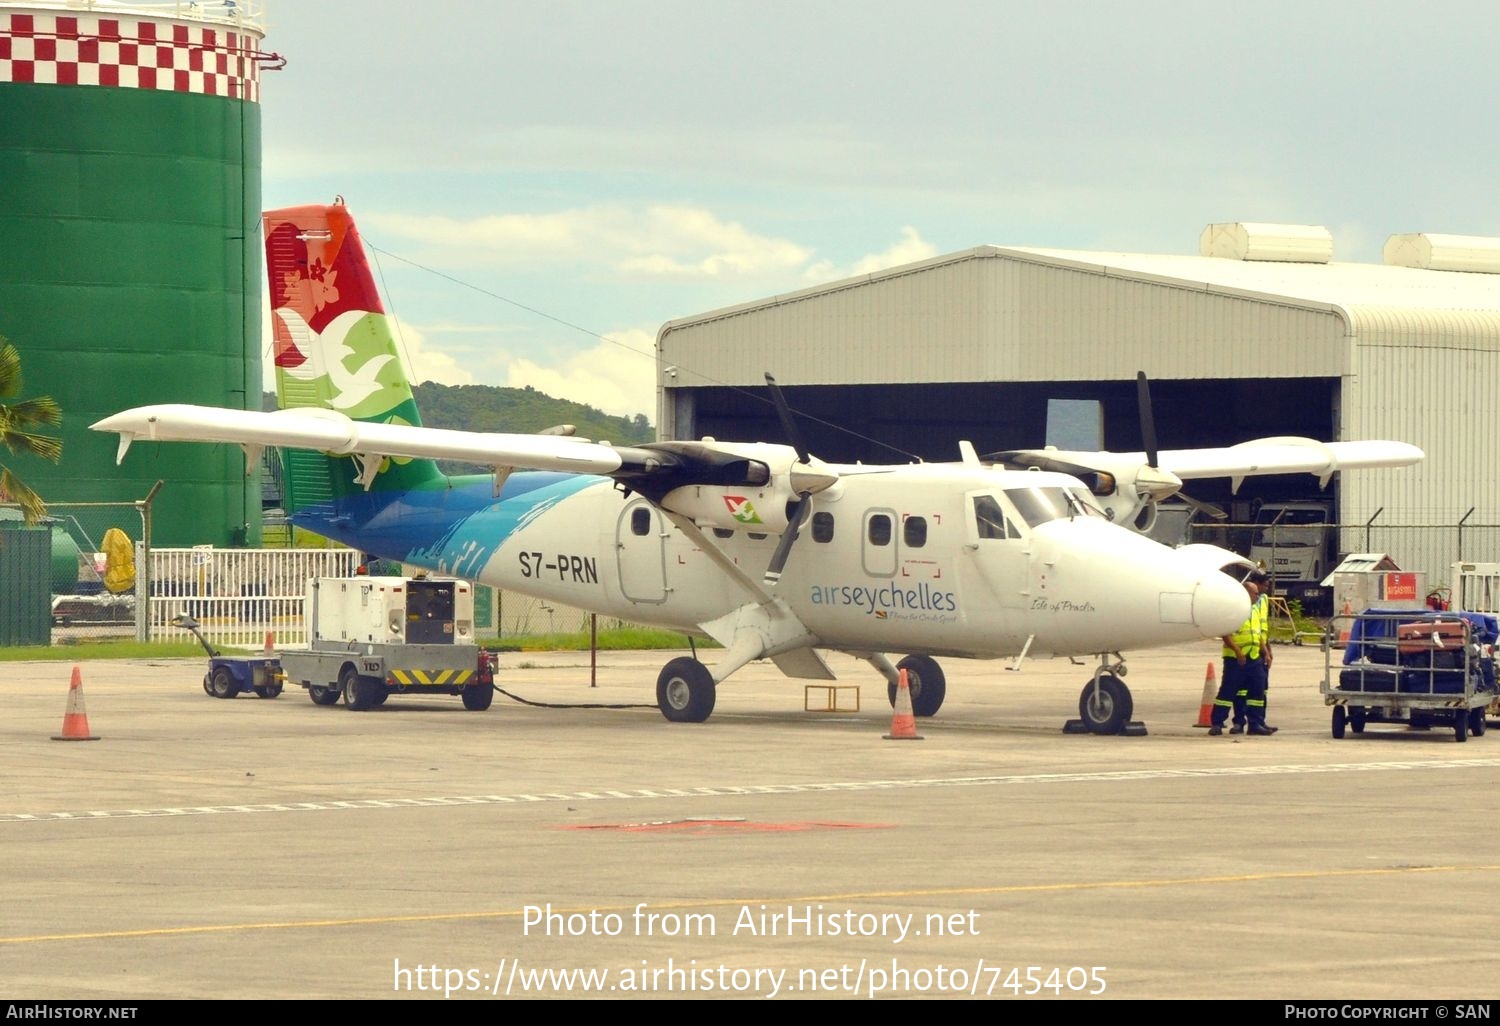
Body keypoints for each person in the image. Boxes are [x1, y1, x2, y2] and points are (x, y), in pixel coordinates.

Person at [1209, 576, 1277, 736]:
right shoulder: (1234, 610)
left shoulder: (1253, 609)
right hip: (1236, 658)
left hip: (1254, 657)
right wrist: (1238, 651)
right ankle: (1217, 723)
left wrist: (1266, 652)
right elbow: (1225, 632)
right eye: (1254, 594)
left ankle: (1255, 723)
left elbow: (1257, 633)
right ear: (1246, 593)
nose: (1258, 596)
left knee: (1257, 692)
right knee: (1228, 691)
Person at [1231, 570, 1274, 733]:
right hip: (1243, 652)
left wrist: (1268, 650)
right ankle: (1240, 721)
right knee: (1240, 689)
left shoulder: (1263, 601)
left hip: (1259, 649)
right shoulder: (1240, 603)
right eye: (1264, 585)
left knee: (1260, 688)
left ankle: (1258, 721)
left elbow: (1261, 627)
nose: (1265, 588)